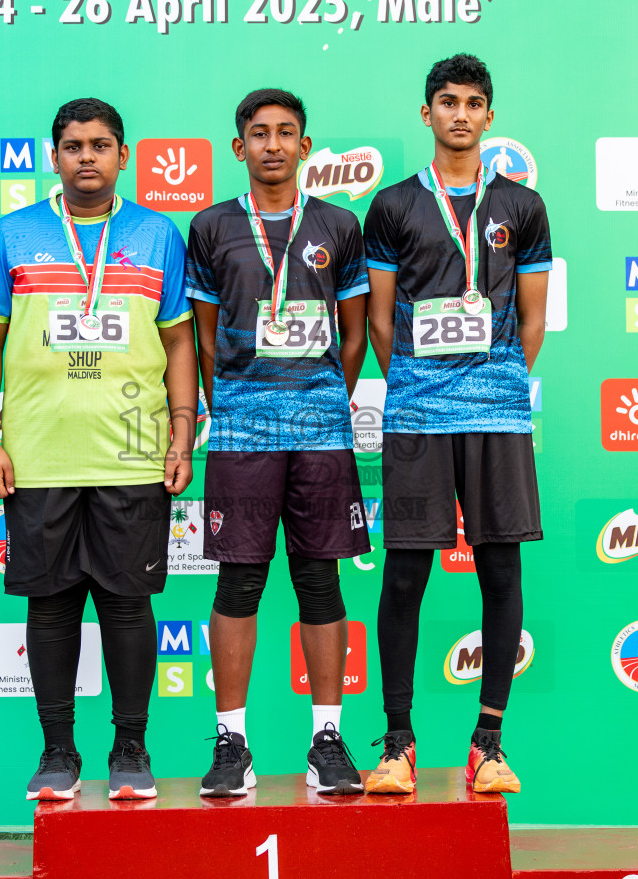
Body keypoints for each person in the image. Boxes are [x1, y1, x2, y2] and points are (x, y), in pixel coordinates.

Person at [0, 97, 197, 802]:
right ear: (54, 156)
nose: (86, 156)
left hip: (132, 449)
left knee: (128, 605)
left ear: (123, 155)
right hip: (38, 455)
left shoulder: (157, 234)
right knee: (52, 606)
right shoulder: (14, 234)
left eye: (100, 145)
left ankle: (131, 749)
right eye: (73, 145)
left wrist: (183, 430)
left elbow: (181, 340)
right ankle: (58, 753)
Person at [362, 53, 552, 795]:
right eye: (448, 101)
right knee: (406, 572)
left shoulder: (523, 207)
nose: (461, 114)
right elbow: (379, 320)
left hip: (498, 412)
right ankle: (399, 745)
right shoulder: (393, 207)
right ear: (427, 114)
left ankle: (488, 743)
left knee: (501, 567)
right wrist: (416, 381)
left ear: (490, 117)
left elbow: (531, 321)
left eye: (475, 102)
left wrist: (493, 379)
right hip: (415, 412)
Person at [186, 88, 370, 797]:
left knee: (320, 580)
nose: (271, 145)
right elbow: (202, 336)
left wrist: (326, 397)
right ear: (239, 148)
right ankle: (231, 744)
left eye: (285, 133)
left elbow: (353, 333)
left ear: (305, 145)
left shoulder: (338, 225)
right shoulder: (210, 228)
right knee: (240, 581)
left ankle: (328, 739)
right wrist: (226, 402)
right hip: (240, 430)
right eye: (257, 134)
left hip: (320, 429)